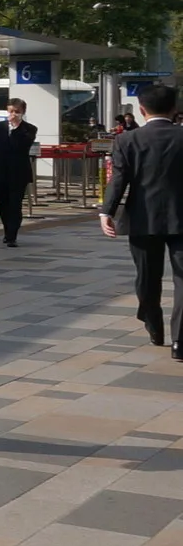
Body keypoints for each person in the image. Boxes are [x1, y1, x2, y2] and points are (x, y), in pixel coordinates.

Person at [102, 81, 183, 350]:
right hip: (181, 217)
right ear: (174, 109)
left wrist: (107, 211)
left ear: (141, 109)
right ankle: (180, 340)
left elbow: (119, 180)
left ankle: (154, 325)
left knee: (147, 276)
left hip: (142, 217)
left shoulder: (127, 139)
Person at [0, 99, 41, 247]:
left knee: (15, 204)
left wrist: (15, 128)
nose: (13, 114)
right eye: (11, 111)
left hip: (19, 172)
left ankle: (12, 235)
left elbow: (21, 147)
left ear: (23, 112)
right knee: (3, 203)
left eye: (17, 111)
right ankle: (7, 230)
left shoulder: (29, 129)